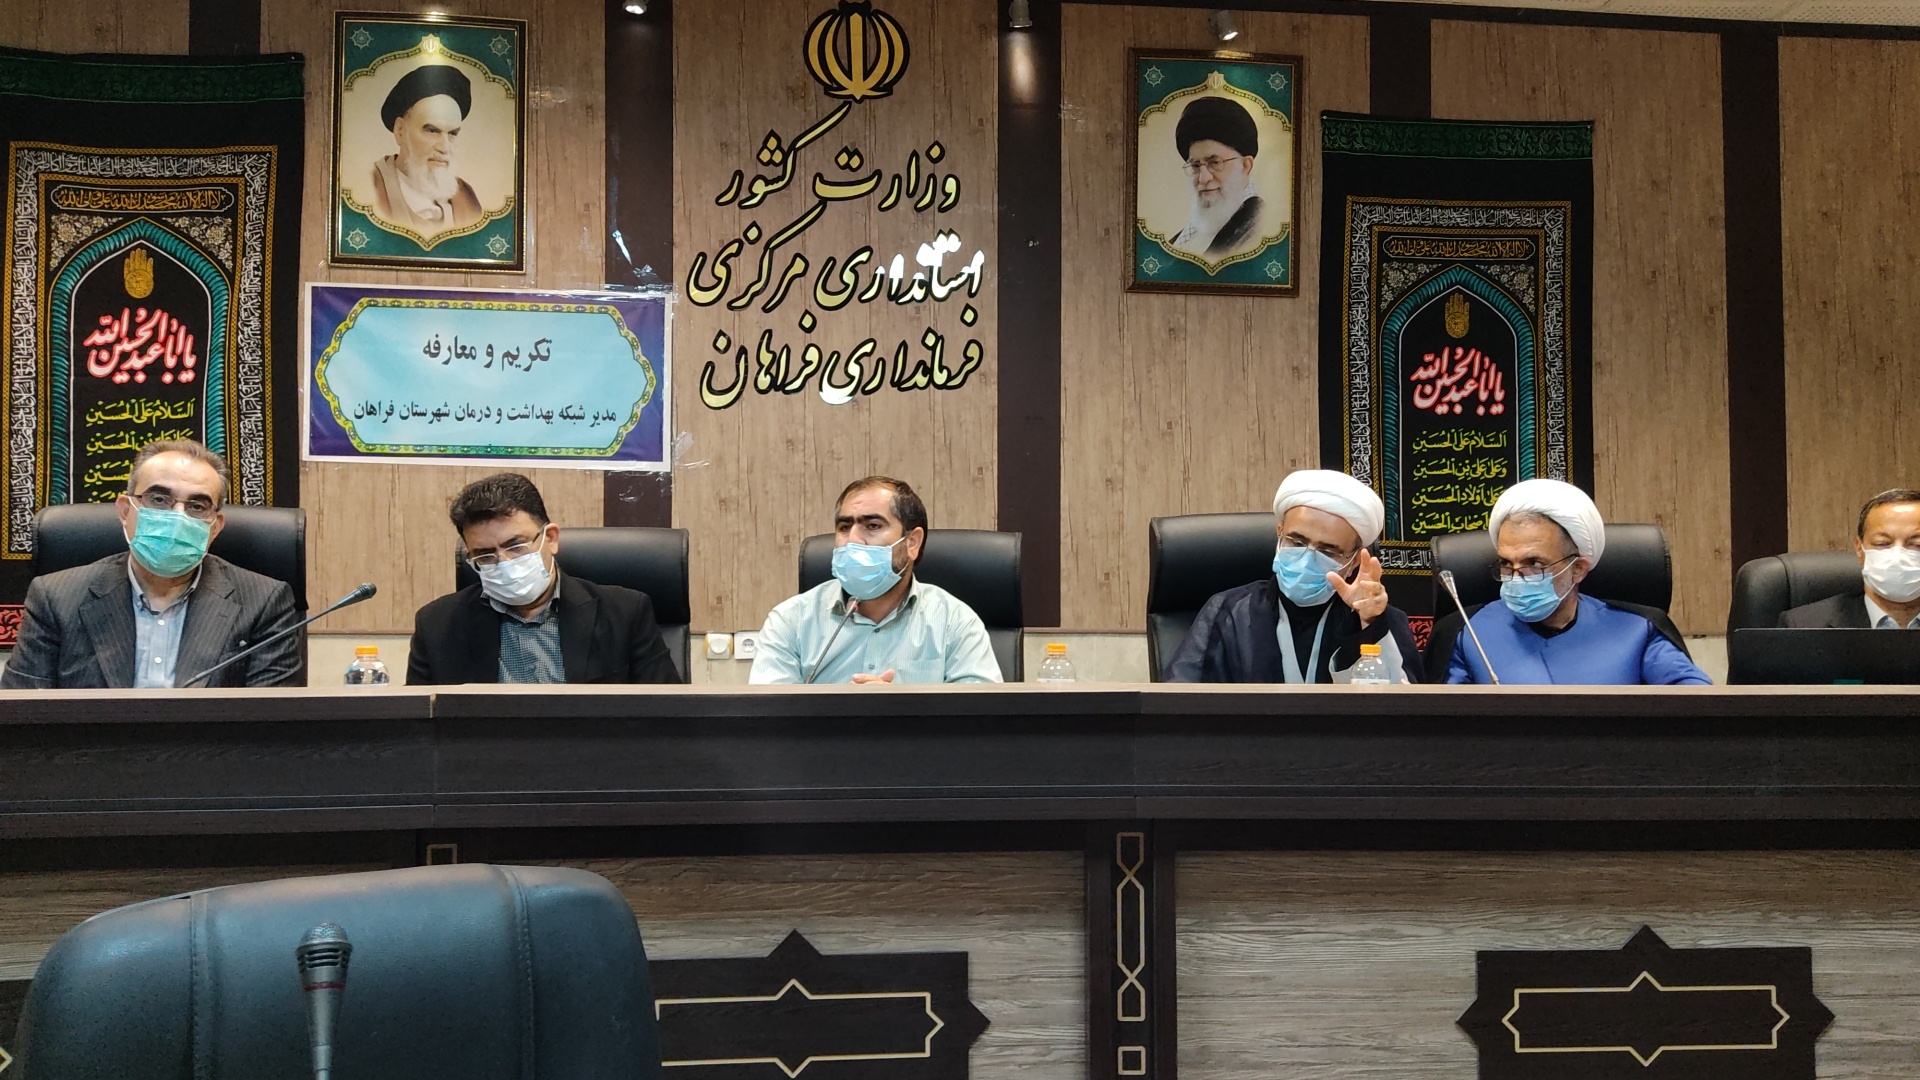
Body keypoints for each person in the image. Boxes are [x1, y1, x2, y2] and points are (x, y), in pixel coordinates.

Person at [1, 439, 301, 689]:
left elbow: (270, 728)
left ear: (215, 527)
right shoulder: (55, 597)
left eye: (197, 506)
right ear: (125, 511)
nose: (177, 517)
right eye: (159, 499)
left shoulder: (264, 602)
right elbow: (25, 718)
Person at [407, 473, 678, 684]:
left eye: (516, 546)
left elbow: (668, 717)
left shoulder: (625, 614)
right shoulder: (437, 625)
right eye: (485, 555)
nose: (504, 563)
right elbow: (418, 728)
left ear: (550, 538)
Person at [1165, 470, 1424, 684]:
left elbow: (1410, 714)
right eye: (1297, 542)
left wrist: (1370, 625)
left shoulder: (1379, 617)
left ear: (1353, 561)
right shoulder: (1229, 612)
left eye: (1327, 551)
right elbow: (1179, 701)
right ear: (1280, 534)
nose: (1307, 557)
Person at [1446, 478, 1710, 685]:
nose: (1516, 577)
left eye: (1534, 564)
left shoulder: (1638, 631)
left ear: (1578, 569)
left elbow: (1694, 702)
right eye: (1506, 564)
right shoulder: (1467, 632)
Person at [750, 476, 1001, 685]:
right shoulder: (790, 621)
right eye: (844, 527)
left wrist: (899, 712)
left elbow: (984, 719)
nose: (853, 540)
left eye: (872, 526)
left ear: (912, 542)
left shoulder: (954, 621)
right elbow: (768, 721)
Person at [1781, 488, 1920, 629]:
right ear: (1859, 549)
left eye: (1917, 545)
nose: (1898, 557)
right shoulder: (1802, 625)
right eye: (1882, 543)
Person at [371, 63, 484, 234]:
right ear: (400, 131)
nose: (445, 148)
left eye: (452, 133)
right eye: (432, 131)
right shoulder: (371, 185)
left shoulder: (464, 195)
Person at [1167, 95, 1266, 258]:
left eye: (1214, 163)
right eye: (1196, 166)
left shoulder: (1260, 227)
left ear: (1245, 166)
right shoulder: (1180, 241)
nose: (1203, 178)